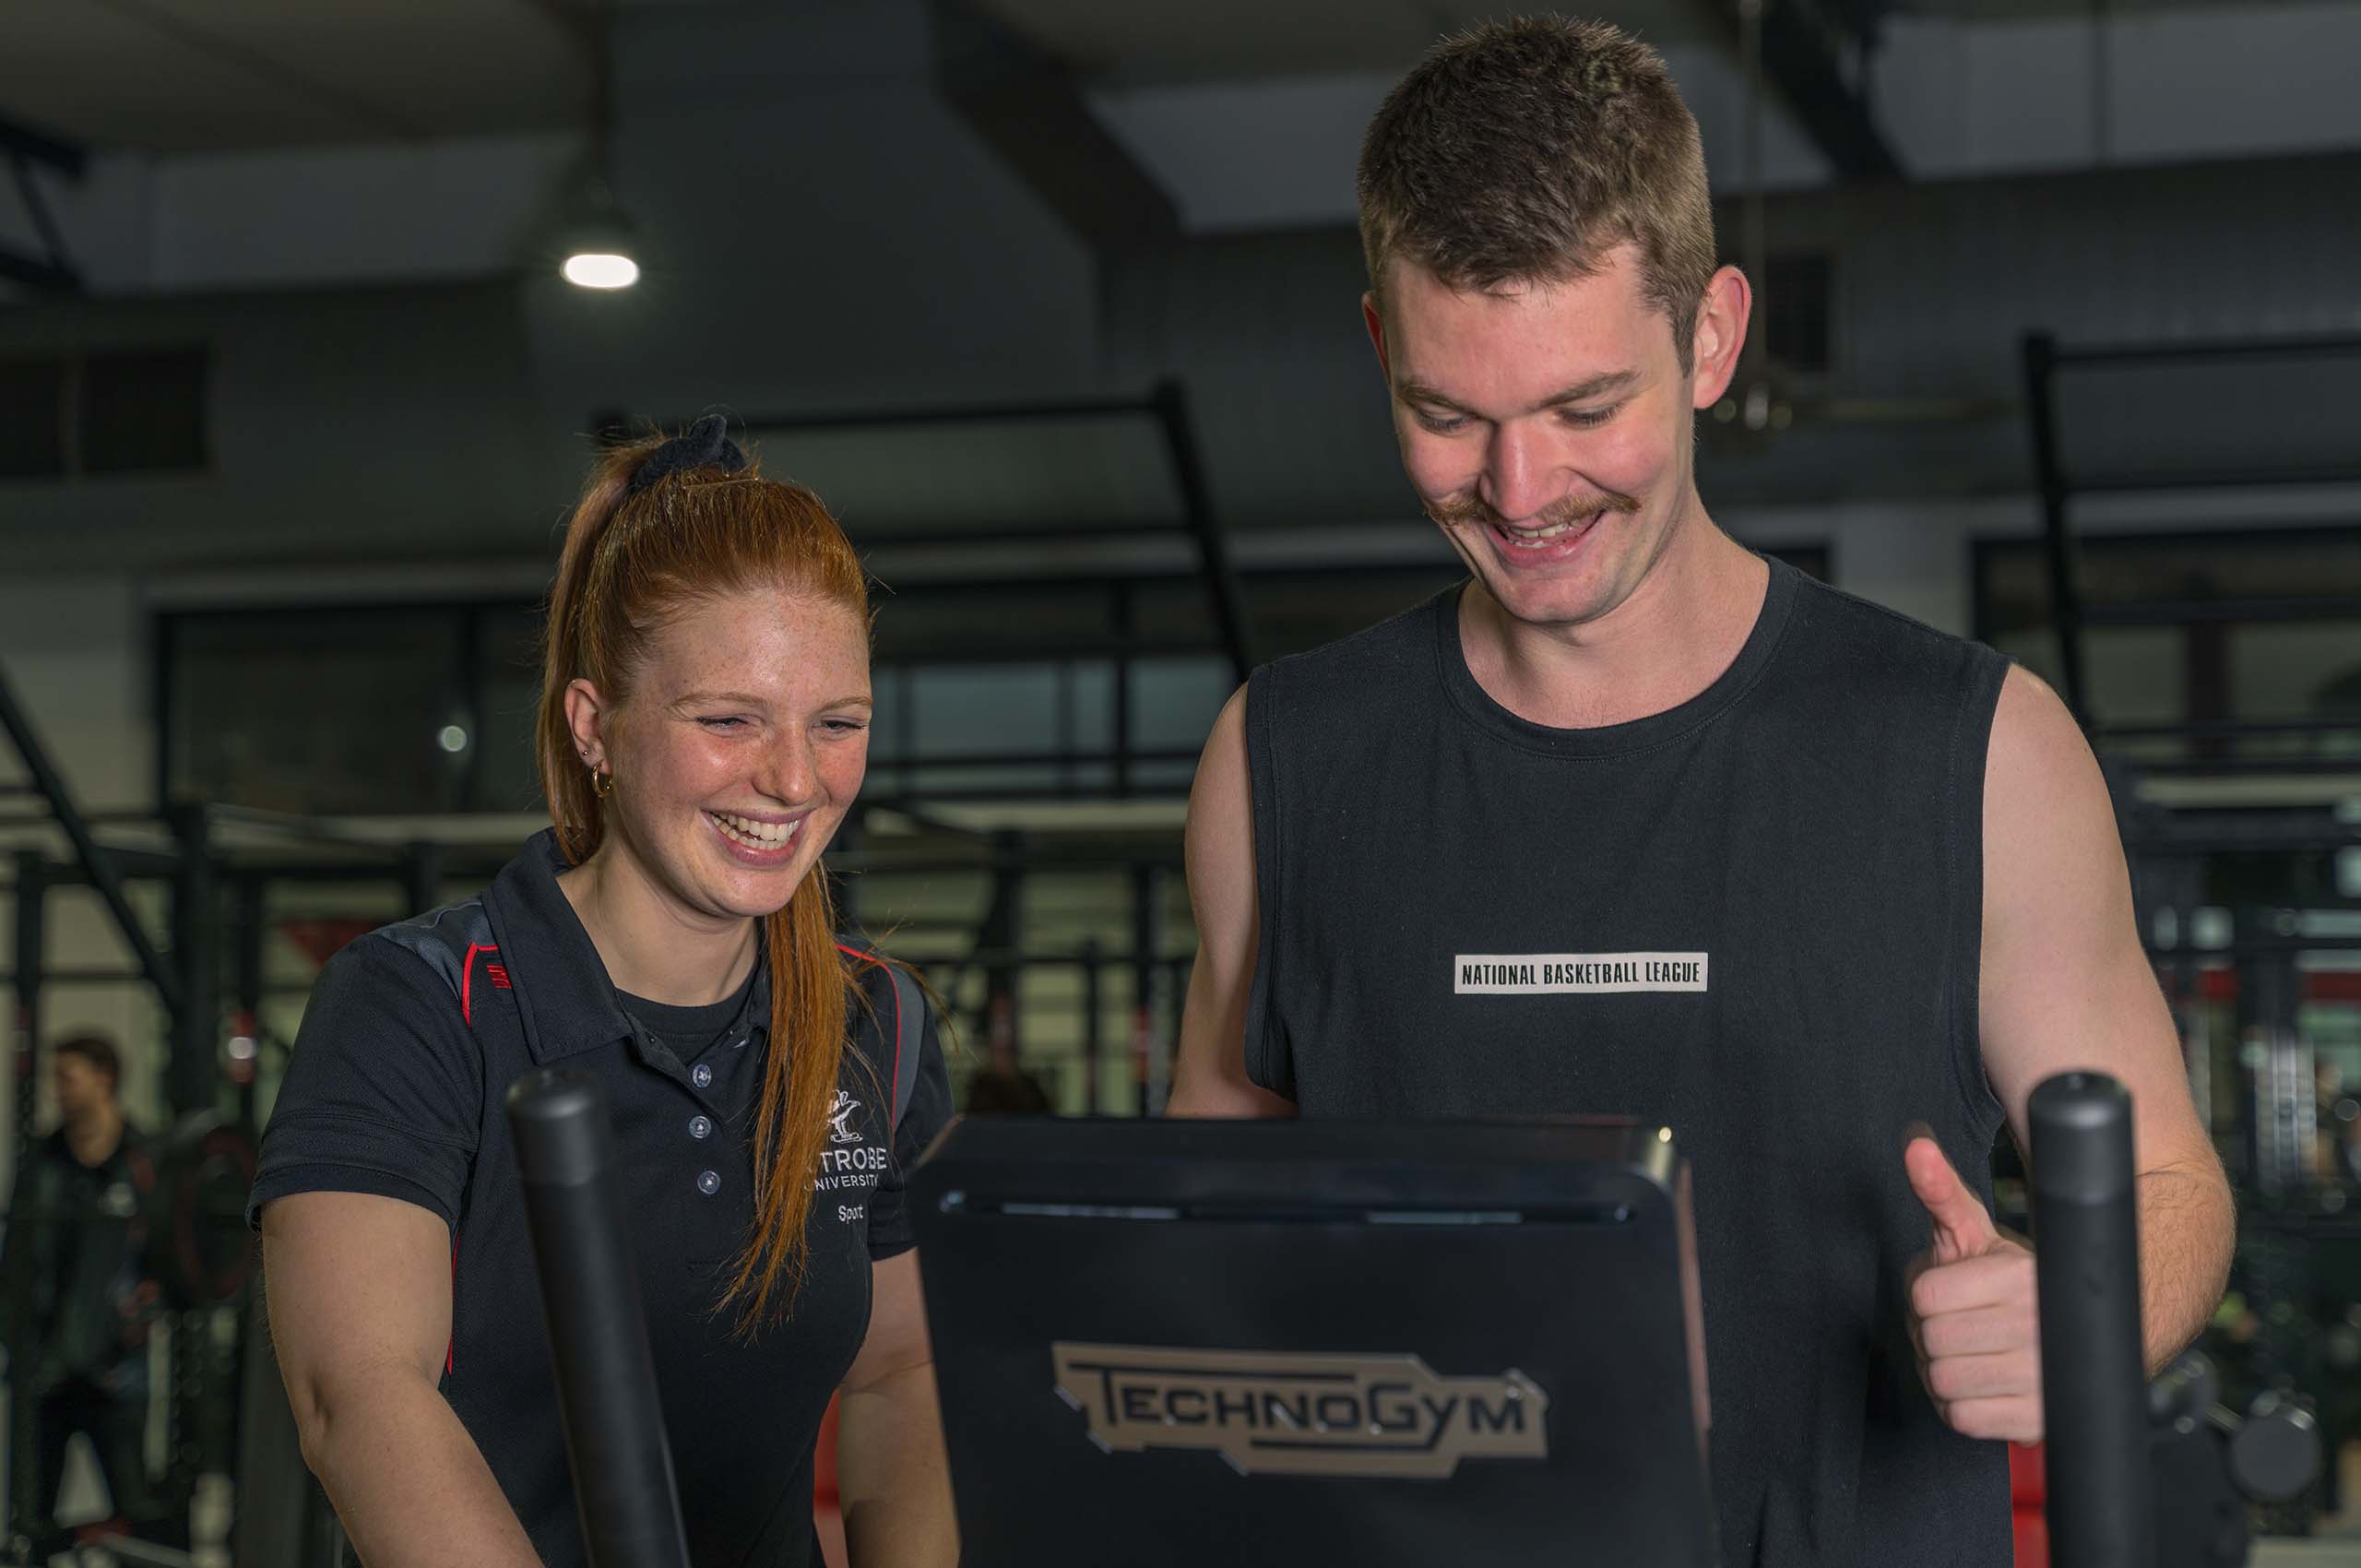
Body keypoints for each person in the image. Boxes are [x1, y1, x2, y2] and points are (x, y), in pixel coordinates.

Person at [1168, 18, 2235, 1566]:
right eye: (1450, 415)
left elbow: (2168, 1177)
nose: (1519, 493)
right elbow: (1209, 1229)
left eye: (1586, 409)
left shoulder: (1978, 749)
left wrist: (2084, 1309)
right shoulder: (1276, 764)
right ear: (1381, 349)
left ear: (1714, 338)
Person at [249, 418, 956, 1568]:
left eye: (836, 723)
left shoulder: (875, 1021)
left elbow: (901, 1368)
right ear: (595, 726)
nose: (793, 777)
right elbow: (359, 1395)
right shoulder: (422, 1005)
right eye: (728, 718)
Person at [1, 1032, 160, 1552]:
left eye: (68, 1078)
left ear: (104, 1079)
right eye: (55, 1078)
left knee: (136, 1523)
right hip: (47, 1375)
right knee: (33, 1524)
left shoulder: (143, 1164)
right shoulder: (42, 1164)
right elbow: (17, 1264)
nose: (58, 1090)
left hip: (116, 1378)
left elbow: (167, 1265)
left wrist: (135, 1321)